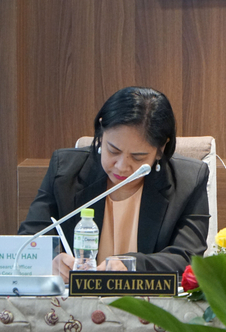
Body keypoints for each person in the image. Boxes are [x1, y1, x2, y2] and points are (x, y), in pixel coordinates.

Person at [19, 86, 210, 282]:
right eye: (113, 150)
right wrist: (51, 261)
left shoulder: (189, 180)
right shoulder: (65, 171)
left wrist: (131, 265)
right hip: (76, 306)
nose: (121, 167)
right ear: (101, 132)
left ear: (160, 149)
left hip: (148, 307)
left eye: (138, 157)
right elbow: (29, 239)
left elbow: (188, 258)